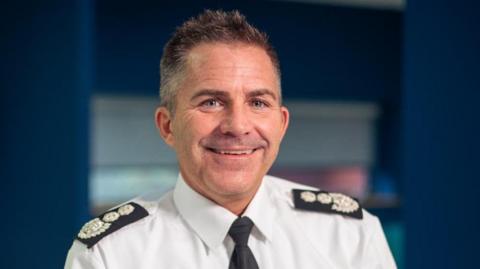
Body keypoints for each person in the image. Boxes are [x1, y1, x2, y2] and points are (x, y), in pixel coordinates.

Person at [65, 9, 397, 269]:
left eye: (258, 102)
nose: (238, 126)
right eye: (211, 102)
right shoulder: (109, 256)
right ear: (167, 126)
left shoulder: (352, 235)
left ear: (281, 124)